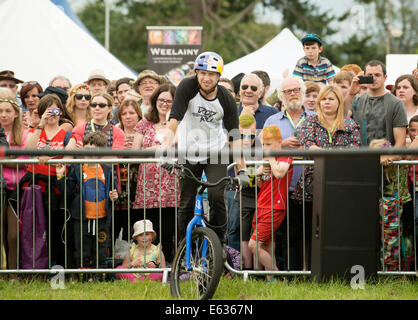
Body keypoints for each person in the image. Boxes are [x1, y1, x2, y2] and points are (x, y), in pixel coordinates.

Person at [161, 51, 249, 244]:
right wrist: (165, 150)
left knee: (218, 197)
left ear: (218, 76)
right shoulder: (186, 87)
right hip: (188, 150)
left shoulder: (226, 98)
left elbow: (234, 135)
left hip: (215, 151)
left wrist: (241, 168)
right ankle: (183, 250)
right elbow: (174, 119)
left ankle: (219, 245)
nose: (206, 78)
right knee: (186, 203)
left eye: (211, 74)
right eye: (202, 73)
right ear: (196, 73)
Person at [292, 85, 361, 269]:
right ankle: (307, 271)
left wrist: (325, 154)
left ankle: (335, 269)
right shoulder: (310, 122)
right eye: (323, 99)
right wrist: (336, 154)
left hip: (341, 185)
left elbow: (354, 151)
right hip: (311, 185)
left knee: (336, 230)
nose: (326, 102)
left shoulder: (351, 125)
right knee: (309, 232)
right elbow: (309, 146)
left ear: (339, 102)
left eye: (331, 99)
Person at [56, 131, 119, 270]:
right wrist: (60, 177)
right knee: (82, 248)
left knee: (101, 248)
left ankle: (99, 275)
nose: (90, 153)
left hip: (102, 218)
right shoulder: (77, 168)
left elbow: (114, 190)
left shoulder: (107, 169)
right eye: (87, 149)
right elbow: (67, 192)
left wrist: (115, 196)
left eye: (94, 150)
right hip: (82, 218)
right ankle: (84, 275)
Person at [132, 83, 178, 263]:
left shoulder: (179, 124)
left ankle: (171, 264)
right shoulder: (145, 123)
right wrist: (160, 148)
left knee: (169, 228)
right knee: (151, 226)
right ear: (155, 101)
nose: (165, 104)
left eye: (169, 100)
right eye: (161, 100)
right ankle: (150, 264)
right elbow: (136, 152)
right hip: (148, 184)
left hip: (172, 184)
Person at [248, 125, 293, 281]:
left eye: (268, 144)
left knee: (253, 245)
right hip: (262, 205)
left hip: (275, 207)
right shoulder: (268, 160)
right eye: (263, 145)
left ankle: (279, 277)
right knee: (266, 246)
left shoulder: (285, 156)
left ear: (279, 142)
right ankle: (271, 280)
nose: (265, 148)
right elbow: (259, 182)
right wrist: (259, 174)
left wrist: (270, 160)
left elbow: (280, 173)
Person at [346, 60, 408, 158]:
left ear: (385, 77)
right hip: (359, 160)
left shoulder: (396, 103)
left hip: (386, 163)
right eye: (370, 75)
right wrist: (350, 93)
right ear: (364, 77)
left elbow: (400, 142)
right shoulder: (357, 99)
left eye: (377, 75)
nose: (373, 78)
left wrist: (390, 157)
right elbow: (341, 118)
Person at [0, 90, 27, 271]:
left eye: (8, 111)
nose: (3, 115)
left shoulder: (23, 134)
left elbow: (26, 162)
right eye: (0, 111)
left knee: (13, 236)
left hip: (17, 188)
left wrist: (7, 161)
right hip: (0, 186)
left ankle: (13, 274)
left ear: (16, 113)